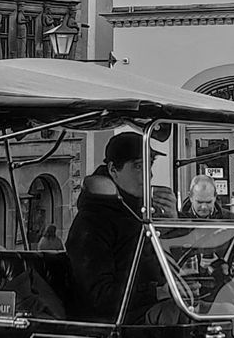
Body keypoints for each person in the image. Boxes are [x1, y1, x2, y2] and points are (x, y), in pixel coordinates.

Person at [65, 130, 169, 321]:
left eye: (150, 164)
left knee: (224, 310)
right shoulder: (92, 223)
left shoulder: (142, 214)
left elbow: (171, 264)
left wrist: (173, 223)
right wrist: (156, 292)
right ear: (113, 170)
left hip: (153, 311)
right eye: (139, 166)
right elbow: (97, 297)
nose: (149, 175)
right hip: (119, 324)